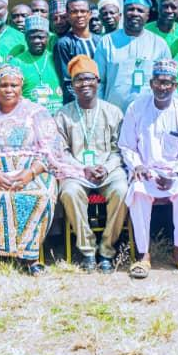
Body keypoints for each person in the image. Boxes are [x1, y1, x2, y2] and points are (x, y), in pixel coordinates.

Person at [0, 64, 74, 276]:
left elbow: (53, 147)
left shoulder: (36, 112)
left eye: (13, 85)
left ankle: (30, 257)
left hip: (31, 170)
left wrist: (30, 173)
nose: (9, 90)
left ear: (21, 86)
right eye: (3, 85)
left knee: (40, 194)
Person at [118, 59, 178, 279]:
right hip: (144, 170)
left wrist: (172, 174)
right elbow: (126, 145)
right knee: (137, 192)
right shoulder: (136, 107)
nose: (162, 87)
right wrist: (137, 165)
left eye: (168, 83)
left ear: (175, 86)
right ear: (151, 83)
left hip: (176, 172)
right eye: (158, 82)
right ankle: (143, 255)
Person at [54, 55, 128, 273]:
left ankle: (106, 251)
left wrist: (105, 168)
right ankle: (87, 250)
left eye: (89, 79)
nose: (84, 84)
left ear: (98, 81)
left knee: (122, 190)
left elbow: (119, 150)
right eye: (78, 80)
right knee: (68, 191)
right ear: (72, 85)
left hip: (108, 171)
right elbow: (61, 152)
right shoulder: (63, 114)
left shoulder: (113, 112)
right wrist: (82, 169)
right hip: (76, 172)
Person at [96, 0, 171, 110]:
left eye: (140, 10)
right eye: (131, 9)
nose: (135, 13)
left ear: (147, 15)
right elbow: (99, 83)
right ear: (123, 13)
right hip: (114, 117)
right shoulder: (107, 42)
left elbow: (168, 82)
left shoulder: (159, 44)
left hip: (150, 115)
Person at [55, 0, 102, 103]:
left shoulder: (100, 41)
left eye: (83, 11)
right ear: (67, 16)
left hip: (101, 102)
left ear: (89, 14)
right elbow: (67, 82)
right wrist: (84, 104)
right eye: (74, 12)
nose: (79, 15)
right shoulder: (63, 44)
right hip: (77, 105)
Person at [14, 15, 62, 115]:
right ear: (26, 38)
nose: (37, 41)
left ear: (48, 38)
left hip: (57, 118)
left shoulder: (56, 58)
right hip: (28, 119)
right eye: (32, 37)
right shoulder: (16, 62)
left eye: (41, 37)